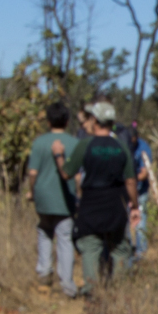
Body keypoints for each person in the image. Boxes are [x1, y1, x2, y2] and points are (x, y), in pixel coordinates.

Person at [52, 101, 140, 296]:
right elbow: (131, 181)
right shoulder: (120, 146)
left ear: (95, 121)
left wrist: (59, 156)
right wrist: (134, 205)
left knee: (90, 246)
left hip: (91, 204)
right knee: (120, 248)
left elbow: (66, 173)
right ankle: (119, 291)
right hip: (116, 204)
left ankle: (91, 292)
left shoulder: (85, 145)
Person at [25, 102, 79, 297]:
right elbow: (78, 175)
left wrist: (32, 191)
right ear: (67, 121)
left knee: (44, 231)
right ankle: (66, 284)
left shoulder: (39, 142)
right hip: (66, 198)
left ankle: (44, 274)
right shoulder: (73, 143)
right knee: (65, 238)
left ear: (48, 121)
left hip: (43, 197)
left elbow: (32, 173)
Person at [116, 122, 153, 263]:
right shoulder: (120, 145)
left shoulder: (144, 148)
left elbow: (144, 173)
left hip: (140, 191)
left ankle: (141, 253)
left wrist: (130, 179)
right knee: (125, 223)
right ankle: (127, 253)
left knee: (140, 222)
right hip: (124, 192)